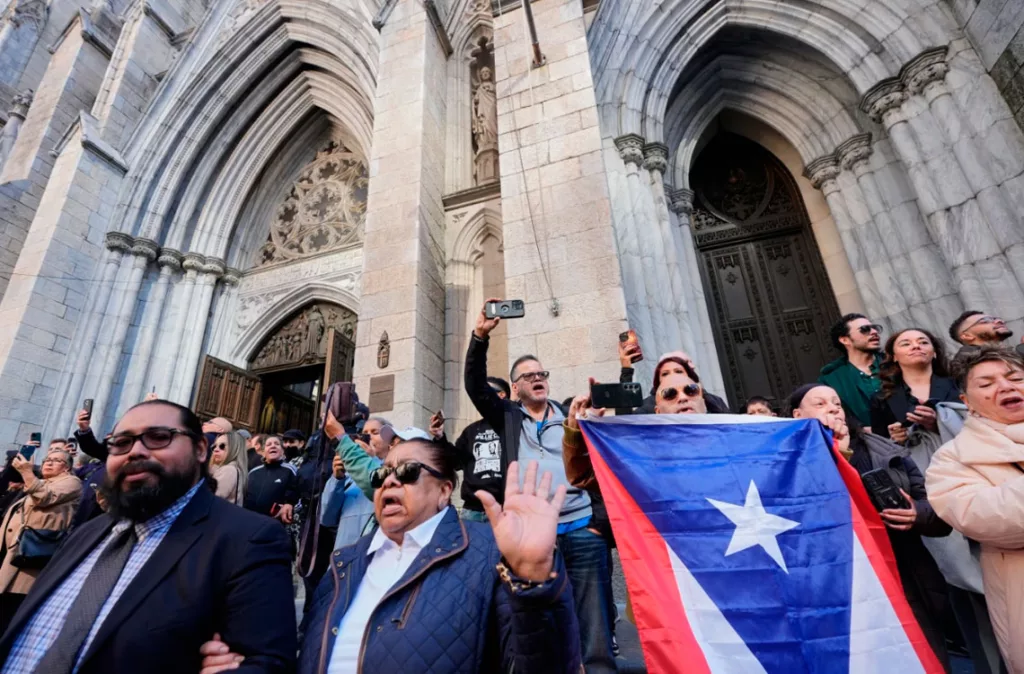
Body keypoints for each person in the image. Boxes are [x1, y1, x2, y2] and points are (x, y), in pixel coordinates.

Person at [200, 443, 582, 673]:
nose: (390, 481)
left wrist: (533, 580)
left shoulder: (491, 554)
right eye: (382, 473)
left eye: (408, 471)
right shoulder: (344, 564)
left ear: (445, 490)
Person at [0, 399, 296, 673]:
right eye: (122, 442)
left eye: (159, 437)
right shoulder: (86, 534)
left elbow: (265, 663)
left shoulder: (248, 540)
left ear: (200, 450)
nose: (136, 451)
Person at [466, 299, 614, 673]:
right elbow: (475, 386)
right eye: (528, 375)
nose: (538, 377)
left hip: (583, 531)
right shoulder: (508, 417)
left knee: (595, 625)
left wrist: (599, 524)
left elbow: (598, 467)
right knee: (541, 619)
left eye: (542, 373)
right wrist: (480, 338)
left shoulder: (570, 417)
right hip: (534, 537)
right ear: (515, 388)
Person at [790, 384, 952, 669]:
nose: (832, 408)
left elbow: (939, 513)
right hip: (844, 587)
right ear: (797, 415)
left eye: (837, 402)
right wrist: (835, 457)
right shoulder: (788, 463)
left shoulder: (885, 451)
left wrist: (918, 514)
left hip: (905, 575)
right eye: (820, 403)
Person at [926, 346, 1024, 673]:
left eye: (1015, 378)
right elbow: (982, 518)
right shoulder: (952, 459)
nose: (1006, 386)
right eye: (986, 384)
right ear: (966, 402)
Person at [0, 449, 80, 633]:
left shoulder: (71, 482)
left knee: (10, 609)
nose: (49, 463)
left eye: (56, 460)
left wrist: (27, 472)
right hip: (12, 553)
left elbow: (44, 497)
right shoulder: (42, 482)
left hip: (30, 555)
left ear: (67, 468)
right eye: (47, 459)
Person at [428, 377, 509, 523]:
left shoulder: (514, 426)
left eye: (485, 392)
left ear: (501, 395)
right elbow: (456, 462)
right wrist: (440, 437)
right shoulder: (471, 431)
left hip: (506, 509)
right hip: (473, 512)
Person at [871, 328, 959, 442]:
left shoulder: (959, 384)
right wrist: (896, 439)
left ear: (934, 353)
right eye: (906, 344)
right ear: (894, 357)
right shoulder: (881, 398)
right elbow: (880, 443)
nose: (916, 346)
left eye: (923, 342)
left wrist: (936, 424)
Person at [819, 313, 884, 427]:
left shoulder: (896, 363)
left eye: (875, 328)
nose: (874, 332)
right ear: (845, 340)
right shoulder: (831, 379)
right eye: (865, 329)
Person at [244, 435, 298, 527]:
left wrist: (289, 504)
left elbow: (296, 494)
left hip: (273, 525)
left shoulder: (290, 470)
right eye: (268, 444)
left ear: (282, 451)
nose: (273, 446)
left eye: (277, 444)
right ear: (263, 452)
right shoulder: (253, 472)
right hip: (249, 522)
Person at [210, 432, 247, 506]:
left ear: (235, 448)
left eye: (222, 446)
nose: (216, 450)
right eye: (214, 446)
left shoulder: (229, 470)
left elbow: (210, 499)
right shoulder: (231, 469)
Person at [949, 311, 1015, 347]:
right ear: (967, 336)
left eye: (996, 318)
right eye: (985, 321)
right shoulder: (971, 365)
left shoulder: (1006, 357)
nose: (999, 321)